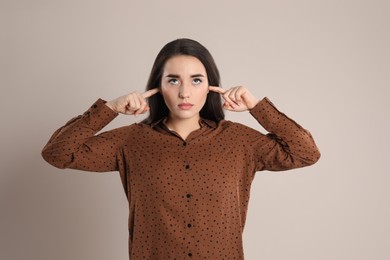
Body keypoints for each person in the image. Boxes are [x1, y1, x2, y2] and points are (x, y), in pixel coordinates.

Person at [42, 38, 320, 259]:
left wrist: (257, 106)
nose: (185, 92)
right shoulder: (131, 141)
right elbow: (57, 152)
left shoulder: (239, 141)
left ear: (211, 86)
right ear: (158, 87)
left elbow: (305, 152)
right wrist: (110, 108)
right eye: (173, 80)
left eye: (196, 80)